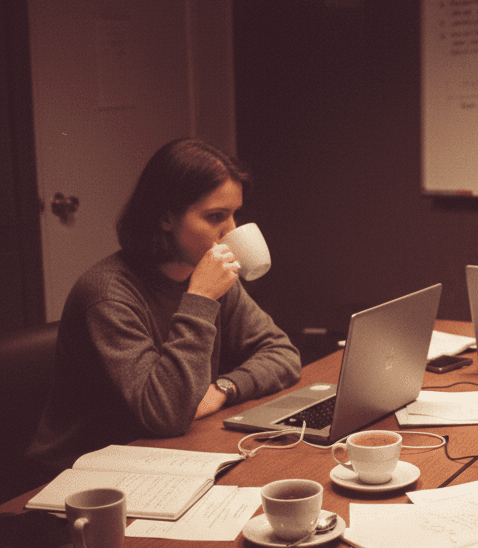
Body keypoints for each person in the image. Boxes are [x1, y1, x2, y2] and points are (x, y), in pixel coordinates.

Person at [24, 138, 301, 482]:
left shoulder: (208, 273)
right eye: (216, 216)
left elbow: (282, 353)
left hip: (156, 457)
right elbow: (167, 413)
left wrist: (223, 389)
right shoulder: (109, 294)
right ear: (166, 217)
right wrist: (200, 298)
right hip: (80, 478)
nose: (230, 231)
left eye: (235, 214)